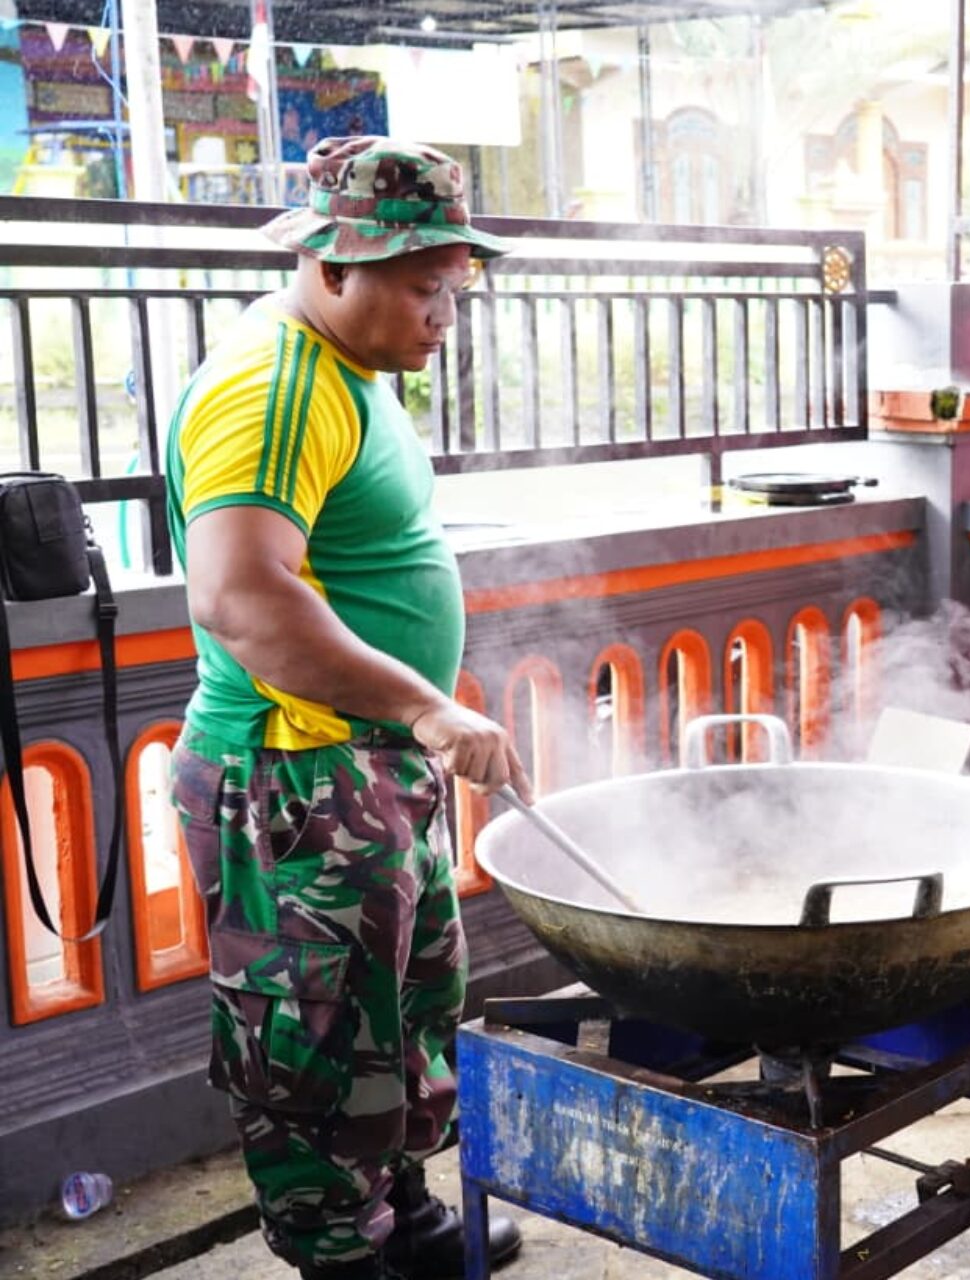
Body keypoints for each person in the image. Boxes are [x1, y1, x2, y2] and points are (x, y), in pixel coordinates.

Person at [167, 136, 532, 1280]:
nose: (443, 316)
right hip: (290, 777)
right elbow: (239, 593)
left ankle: (404, 1215)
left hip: (364, 766)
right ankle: (339, 1250)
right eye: (424, 289)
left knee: (399, 1010)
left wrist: (412, 717)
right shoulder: (269, 385)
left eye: (452, 291)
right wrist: (426, 704)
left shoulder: (350, 373)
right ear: (332, 267)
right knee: (313, 1035)